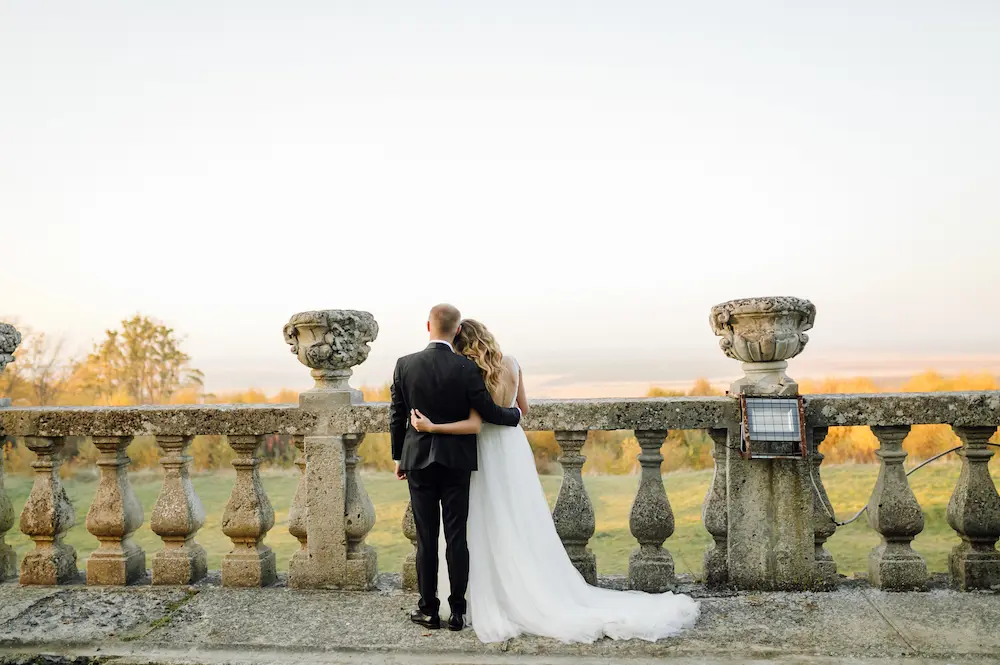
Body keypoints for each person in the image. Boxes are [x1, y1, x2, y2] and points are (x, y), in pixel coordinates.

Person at [409, 318, 700, 644]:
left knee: (478, 521)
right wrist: (513, 416)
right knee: (518, 520)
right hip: (512, 447)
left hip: (480, 450)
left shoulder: (464, 370)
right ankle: (526, 587)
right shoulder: (512, 364)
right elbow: (523, 409)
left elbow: (473, 417)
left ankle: (480, 598)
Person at [389, 304, 522, 632]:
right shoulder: (466, 368)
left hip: (417, 460)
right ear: (457, 330)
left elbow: (396, 416)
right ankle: (458, 613)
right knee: (456, 536)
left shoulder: (404, 365)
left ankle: (429, 610)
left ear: (428, 326)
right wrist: (514, 416)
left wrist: (398, 457)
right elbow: (488, 411)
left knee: (426, 538)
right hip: (456, 462)